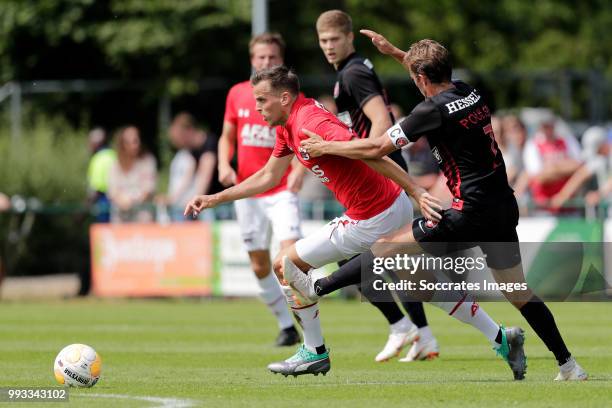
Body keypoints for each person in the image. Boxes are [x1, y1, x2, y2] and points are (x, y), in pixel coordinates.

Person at [185, 65, 526, 379]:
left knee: (285, 264)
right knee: (424, 286)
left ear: (284, 98)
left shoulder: (310, 123)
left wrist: (415, 190)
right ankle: (501, 337)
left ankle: (314, 351)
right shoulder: (288, 126)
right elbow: (268, 177)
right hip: (386, 207)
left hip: (373, 215)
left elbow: (371, 152)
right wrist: (214, 198)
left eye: (262, 100)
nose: (257, 107)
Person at [299, 32, 587, 381]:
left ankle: (317, 288)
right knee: (517, 291)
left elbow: (376, 148)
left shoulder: (429, 111)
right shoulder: (469, 91)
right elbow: (428, 69)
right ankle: (568, 365)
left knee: (387, 248)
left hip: (471, 212)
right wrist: (396, 53)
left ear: (420, 78)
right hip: (502, 206)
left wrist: (326, 148)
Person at [316, 10, 439, 362]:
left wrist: (365, 161)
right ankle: (421, 334)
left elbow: (381, 123)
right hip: (386, 174)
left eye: (334, 39)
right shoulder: (351, 72)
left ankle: (404, 327)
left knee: (362, 262)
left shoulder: (352, 73)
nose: (328, 47)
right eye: (323, 41)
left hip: (383, 176)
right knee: (390, 261)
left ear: (349, 37)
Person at [217, 32, 303, 347]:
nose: (266, 62)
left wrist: (300, 168)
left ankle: (308, 322)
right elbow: (226, 135)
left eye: (272, 58)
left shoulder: (289, 97)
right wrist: (223, 165)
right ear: (252, 60)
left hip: (280, 189)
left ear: (281, 61)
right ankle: (286, 325)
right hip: (248, 191)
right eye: (260, 58)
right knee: (259, 264)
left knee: (290, 259)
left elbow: (305, 136)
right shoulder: (237, 94)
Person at [522, 113, 582, 214]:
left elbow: (579, 166)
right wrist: (566, 171)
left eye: (550, 125)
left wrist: (553, 168)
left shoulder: (567, 140)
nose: (548, 129)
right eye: (545, 126)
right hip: (544, 206)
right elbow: (539, 177)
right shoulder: (533, 144)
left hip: (569, 205)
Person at [108, 126, 157, 223]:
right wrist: (122, 201)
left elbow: (148, 189)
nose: (135, 145)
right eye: (130, 142)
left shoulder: (147, 161)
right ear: (123, 145)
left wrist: (132, 201)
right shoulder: (115, 164)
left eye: (136, 140)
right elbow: (112, 191)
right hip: (120, 218)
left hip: (142, 217)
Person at [86, 127, 116, 222]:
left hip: (104, 204)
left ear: (96, 143)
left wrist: (82, 213)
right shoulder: (114, 154)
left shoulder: (98, 159)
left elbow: (95, 190)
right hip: (119, 204)